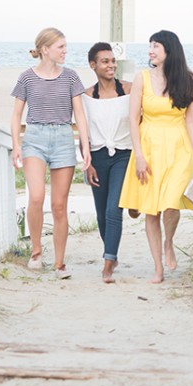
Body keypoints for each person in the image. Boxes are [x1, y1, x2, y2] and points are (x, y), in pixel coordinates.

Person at [117, 30, 193, 284]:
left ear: (170, 50)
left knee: (171, 202)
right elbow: (133, 119)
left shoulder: (187, 80)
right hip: (149, 147)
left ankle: (169, 242)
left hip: (179, 148)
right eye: (150, 46)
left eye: (156, 46)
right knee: (151, 211)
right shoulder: (142, 78)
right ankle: (158, 268)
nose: (151, 51)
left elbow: (191, 121)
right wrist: (140, 156)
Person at [10, 28, 91, 280]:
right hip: (34, 138)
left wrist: (85, 145)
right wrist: (17, 145)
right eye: (61, 47)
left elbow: (80, 115)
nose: (65, 51)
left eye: (65, 46)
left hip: (63, 139)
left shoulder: (71, 77)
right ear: (45, 49)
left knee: (59, 206)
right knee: (35, 196)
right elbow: (15, 115)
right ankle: (36, 252)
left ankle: (59, 264)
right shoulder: (26, 78)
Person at [82, 43, 133, 284]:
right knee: (101, 214)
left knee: (114, 209)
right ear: (93, 65)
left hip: (124, 155)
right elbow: (82, 132)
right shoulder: (85, 96)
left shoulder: (130, 91)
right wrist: (87, 162)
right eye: (105, 61)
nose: (111, 65)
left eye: (113, 60)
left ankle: (108, 262)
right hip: (97, 157)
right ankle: (111, 252)